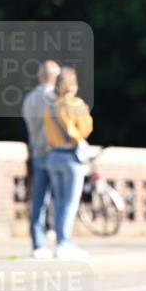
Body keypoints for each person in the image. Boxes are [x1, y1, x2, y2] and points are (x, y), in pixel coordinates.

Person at [43, 66, 94, 260]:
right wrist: (86, 115)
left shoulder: (50, 106)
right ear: (72, 84)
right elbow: (85, 130)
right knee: (70, 203)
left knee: (58, 201)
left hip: (53, 156)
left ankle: (60, 241)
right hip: (71, 158)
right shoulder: (76, 105)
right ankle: (64, 243)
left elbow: (47, 133)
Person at [22, 59, 60, 258]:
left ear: (40, 77)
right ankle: (61, 240)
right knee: (61, 199)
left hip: (36, 153)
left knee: (38, 200)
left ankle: (37, 244)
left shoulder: (29, 99)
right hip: (54, 153)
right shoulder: (55, 98)